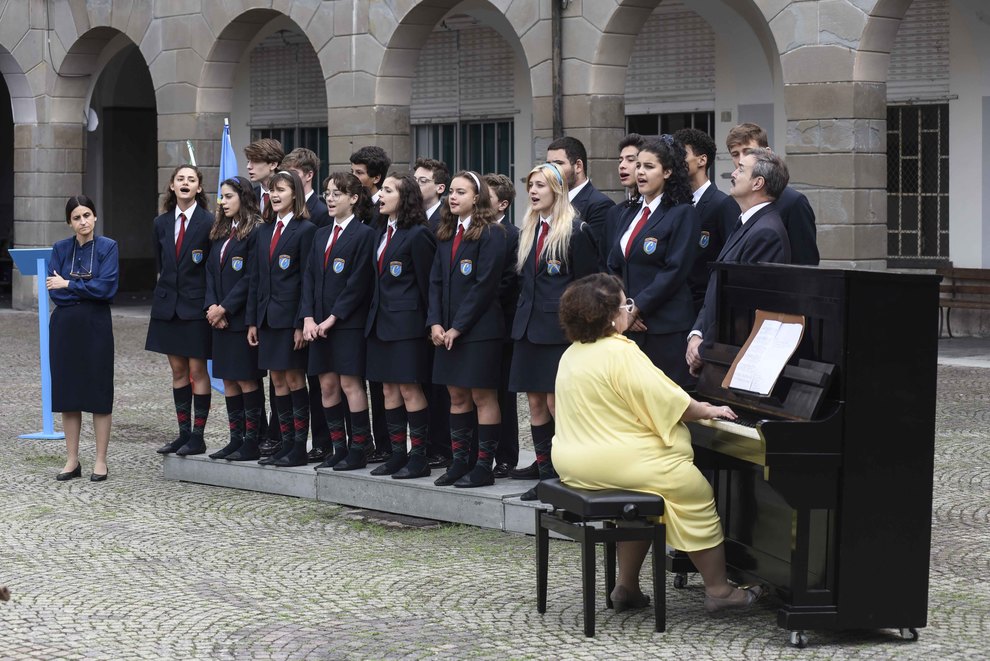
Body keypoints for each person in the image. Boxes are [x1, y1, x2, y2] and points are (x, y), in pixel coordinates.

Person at [553, 273, 766, 613]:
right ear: (610, 316)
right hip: (616, 463)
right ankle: (719, 591)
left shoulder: (573, 353)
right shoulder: (621, 353)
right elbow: (671, 401)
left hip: (572, 462)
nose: (630, 309)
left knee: (637, 507)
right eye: (626, 304)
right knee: (693, 489)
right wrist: (708, 408)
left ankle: (626, 588)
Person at [508, 162, 599, 501]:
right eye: (530, 185)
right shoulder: (529, 229)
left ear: (557, 190)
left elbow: (588, 284)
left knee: (556, 402)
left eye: (540, 186)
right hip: (528, 328)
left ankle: (568, 474)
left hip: (559, 332)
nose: (533, 191)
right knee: (534, 403)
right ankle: (546, 474)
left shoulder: (576, 230)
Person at [338, 172, 437, 477]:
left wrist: (429, 323)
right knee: (388, 391)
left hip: (407, 325)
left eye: (388, 190)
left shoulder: (418, 234)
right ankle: (397, 454)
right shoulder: (381, 231)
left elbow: (426, 284)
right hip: (379, 323)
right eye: (381, 190)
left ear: (404, 197)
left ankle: (419, 456)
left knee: (409, 389)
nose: (380, 195)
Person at [428, 171, 508, 488]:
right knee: (456, 396)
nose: (453, 196)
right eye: (451, 191)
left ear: (477, 197)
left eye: (461, 191)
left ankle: (483, 465)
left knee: (482, 396)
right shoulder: (446, 233)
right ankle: (459, 462)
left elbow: (484, 286)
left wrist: (458, 327)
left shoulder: (492, 233)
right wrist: (435, 323)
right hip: (446, 330)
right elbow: (434, 282)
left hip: (479, 330)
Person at [686, 148, 792, 376]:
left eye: (741, 169)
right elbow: (716, 288)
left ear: (758, 183)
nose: (733, 174)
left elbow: (743, 307)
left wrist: (704, 350)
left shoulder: (766, 232)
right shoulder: (746, 223)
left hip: (733, 359)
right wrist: (696, 334)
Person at [606, 135, 698, 387]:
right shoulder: (628, 213)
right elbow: (613, 263)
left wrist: (638, 307)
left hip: (665, 326)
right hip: (630, 326)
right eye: (639, 166)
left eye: (649, 166)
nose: (641, 173)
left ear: (667, 172)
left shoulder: (682, 213)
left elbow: (674, 270)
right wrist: (625, 308)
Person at [301, 172, 377, 470]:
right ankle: (338, 446)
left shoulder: (365, 234)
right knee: (327, 385)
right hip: (317, 324)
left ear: (354, 199)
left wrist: (333, 318)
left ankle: (359, 447)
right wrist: (308, 317)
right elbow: (308, 278)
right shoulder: (320, 234)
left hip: (347, 323)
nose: (330, 199)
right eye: (328, 193)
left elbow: (358, 283)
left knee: (349, 383)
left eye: (337, 194)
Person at [246, 169, 318, 467]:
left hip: (291, 320)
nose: (275, 195)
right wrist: (252, 320)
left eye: (283, 190)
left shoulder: (305, 229)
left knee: (293, 378)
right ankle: (284, 442)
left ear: (295, 194)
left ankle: (299, 446)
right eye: (272, 190)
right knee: (276, 380)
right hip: (267, 318)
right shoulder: (263, 230)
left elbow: (307, 280)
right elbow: (256, 279)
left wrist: (302, 322)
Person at [46, 195, 119, 482]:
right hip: (65, 327)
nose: (83, 221)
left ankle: (100, 460)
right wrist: (83, 287)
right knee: (69, 394)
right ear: (69, 222)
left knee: (99, 393)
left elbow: (107, 288)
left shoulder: (108, 247)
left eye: (87, 215)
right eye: (76, 217)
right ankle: (72, 459)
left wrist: (70, 284)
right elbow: (55, 291)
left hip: (96, 325)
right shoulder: (60, 248)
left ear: (95, 217)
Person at [147, 164, 214, 457]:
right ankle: (183, 434)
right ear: (172, 186)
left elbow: (212, 269)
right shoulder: (160, 223)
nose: (185, 183)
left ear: (199, 188)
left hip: (195, 306)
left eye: (191, 179)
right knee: (177, 371)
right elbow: (159, 264)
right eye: (180, 179)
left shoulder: (209, 221)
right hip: (167, 306)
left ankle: (198, 437)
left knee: (197, 370)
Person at [204, 176, 266, 461]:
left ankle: (253, 440)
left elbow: (251, 277)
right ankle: (235, 438)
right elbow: (210, 272)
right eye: (221, 197)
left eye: (229, 196)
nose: (223, 202)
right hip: (220, 319)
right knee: (229, 379)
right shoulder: (221, 230)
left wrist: (225, 308)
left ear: (243, 197)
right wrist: (212, 307)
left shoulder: (256, 230)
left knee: (246, 379)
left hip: (241, 318)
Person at [281, 148, 333, 461]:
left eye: (292, 173)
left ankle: (324, 441)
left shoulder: (321, 210)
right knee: (288, 380)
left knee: (318, 383)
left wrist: (307, 316)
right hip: (294, 314)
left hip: (317, 313)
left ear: (308, 174)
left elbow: (311, 273)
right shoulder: (281, 206)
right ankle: (293, 440)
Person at [350, 145, 393, 464]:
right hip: (362, 308)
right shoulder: (360, 208)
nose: (354, 178)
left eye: (359, 174)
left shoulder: (383, 211)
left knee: (383, 384)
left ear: (376, 178)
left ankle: (387, 444)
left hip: (382, 307)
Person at [725, 123, 818, 266]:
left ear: (767, 153)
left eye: (748, 151)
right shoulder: (731, 202)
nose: (740, 160)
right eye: (735, 154)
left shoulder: (794, 202)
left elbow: (805, 262)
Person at [673, 128, 741, 314]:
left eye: (681, 154)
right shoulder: (675, 204)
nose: (675, 161)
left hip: (705, 306)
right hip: (676, 306)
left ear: (702, 160)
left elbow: (730, 262)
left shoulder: (723, 204)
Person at [484, 172, 520, 478]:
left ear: (502, 204)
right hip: (473, 327)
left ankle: (506, 455)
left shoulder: (512, 234)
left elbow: (507, 282)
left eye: (487, 197)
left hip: (501, 326)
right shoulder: (472, 232)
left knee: (502, 394)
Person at [546, 136, 614, 249]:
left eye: (558, 164)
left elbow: (593, 254)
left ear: (578, 166)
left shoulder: (600, 205)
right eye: (548, 164)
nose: (551, 170)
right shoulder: (548, 201)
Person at [599, 133, 645, 268]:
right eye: (620, 161)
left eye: (630, 160)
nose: (622, 166)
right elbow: (604, 260)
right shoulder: (614, 213)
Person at [245, 138, 284, 218]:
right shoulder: (249, 196)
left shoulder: (288, 196)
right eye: (248, 162)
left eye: (255, 161)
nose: (248, 166)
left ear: (273, 165)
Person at [414, 157, 450, 231]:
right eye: (414, 180)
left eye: (423, 181)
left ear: (440, 188)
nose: (415, 185)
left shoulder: (447, 220)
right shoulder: (407, 216)